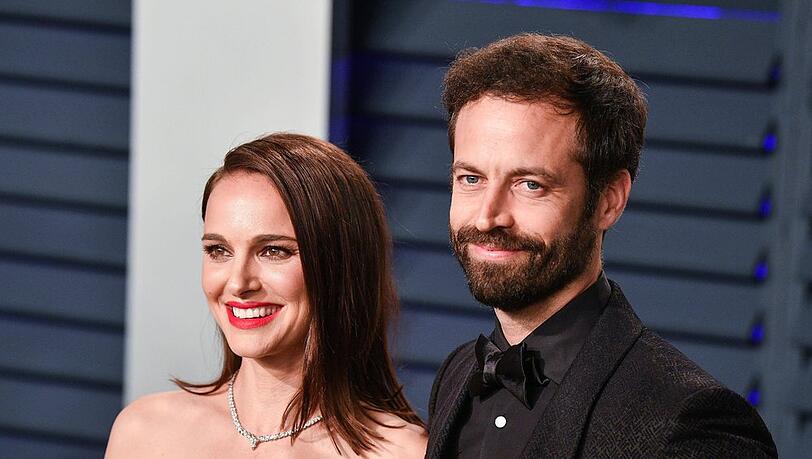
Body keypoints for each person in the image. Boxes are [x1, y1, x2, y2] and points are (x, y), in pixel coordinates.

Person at [426, 34, 777, 458]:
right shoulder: (458, 373)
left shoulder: (694, 424)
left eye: (530, 184)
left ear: (609, 200)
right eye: (471, 178)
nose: (487, 216)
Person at [106, 133, 427, 457]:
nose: (238, 282)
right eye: (218, 250)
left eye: (273, 251)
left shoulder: (402, 453)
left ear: (341, 264)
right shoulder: (144, 433)